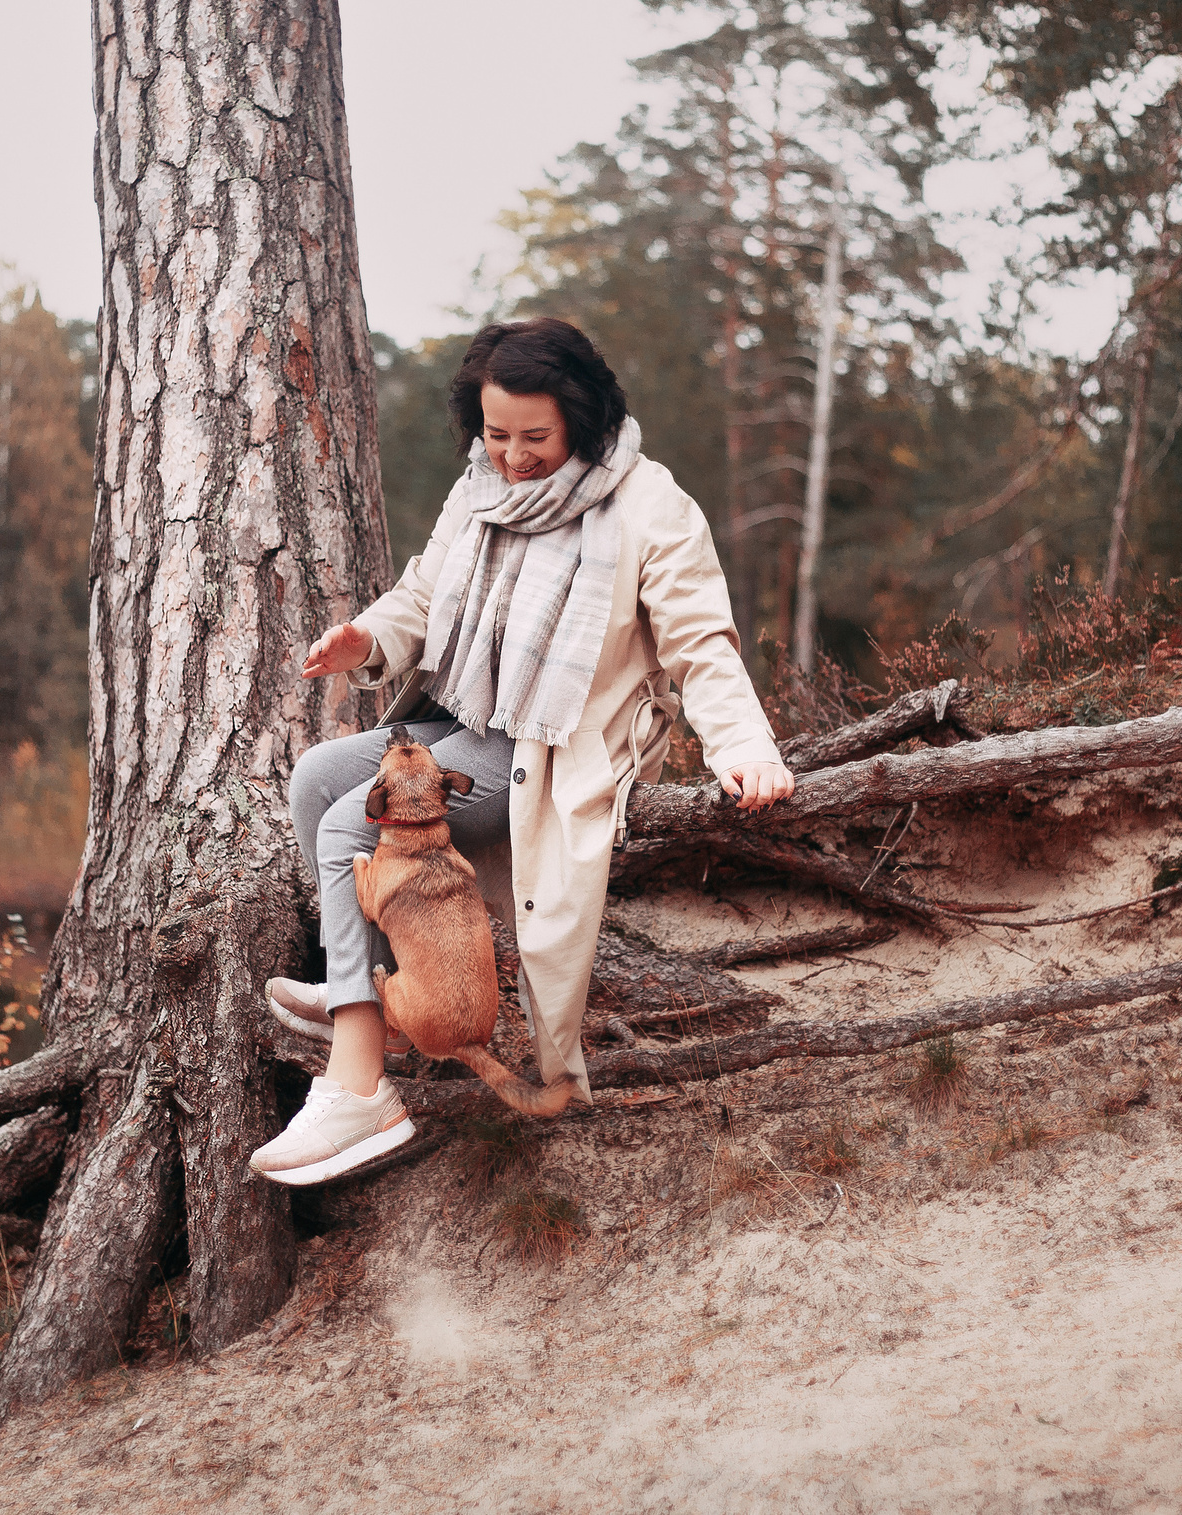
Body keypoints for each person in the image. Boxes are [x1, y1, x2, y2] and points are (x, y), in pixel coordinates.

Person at [248, 318, 794, 1187]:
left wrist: (744, 746)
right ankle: (378, 993)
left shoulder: (650, 505)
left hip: (557, 746)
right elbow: (425, 591)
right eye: (496, 434)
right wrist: (368, 639)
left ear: (582, 418)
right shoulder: (479, 489)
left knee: (363, 820)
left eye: (534, 437)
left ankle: (358, 1087)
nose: (512, 455)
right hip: (470, 725)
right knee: (318, 778)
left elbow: (702, 644)